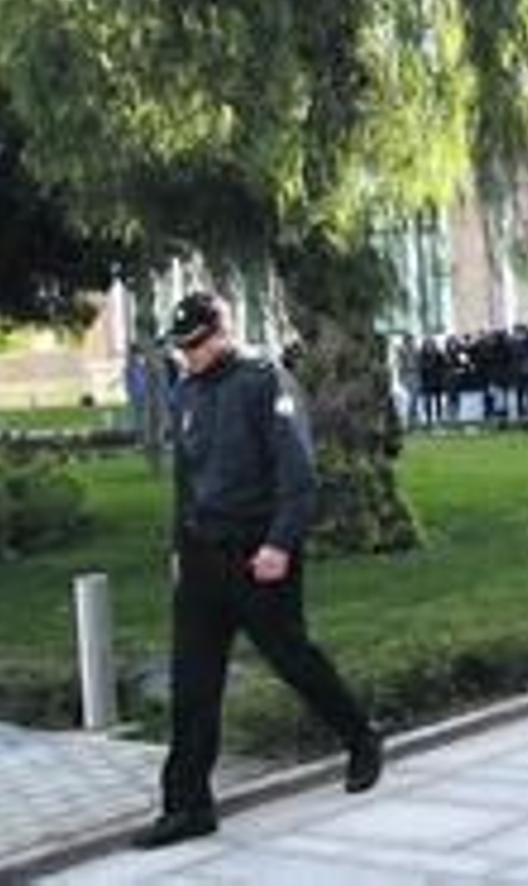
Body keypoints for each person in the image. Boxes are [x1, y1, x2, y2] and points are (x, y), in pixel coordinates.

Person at [132, 292, 382, 850]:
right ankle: (187, 805)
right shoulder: (187, 391)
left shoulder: (265, 382)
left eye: (197, 343)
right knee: (193, 685)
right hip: (201, 557)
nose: (189, 355)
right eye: (182, 346)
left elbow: (297, 474)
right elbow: (186, 480)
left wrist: (279, 543)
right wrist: (179, 548)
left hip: (257, 555)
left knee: (293, 659)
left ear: (223, 332)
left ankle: (361, 736)